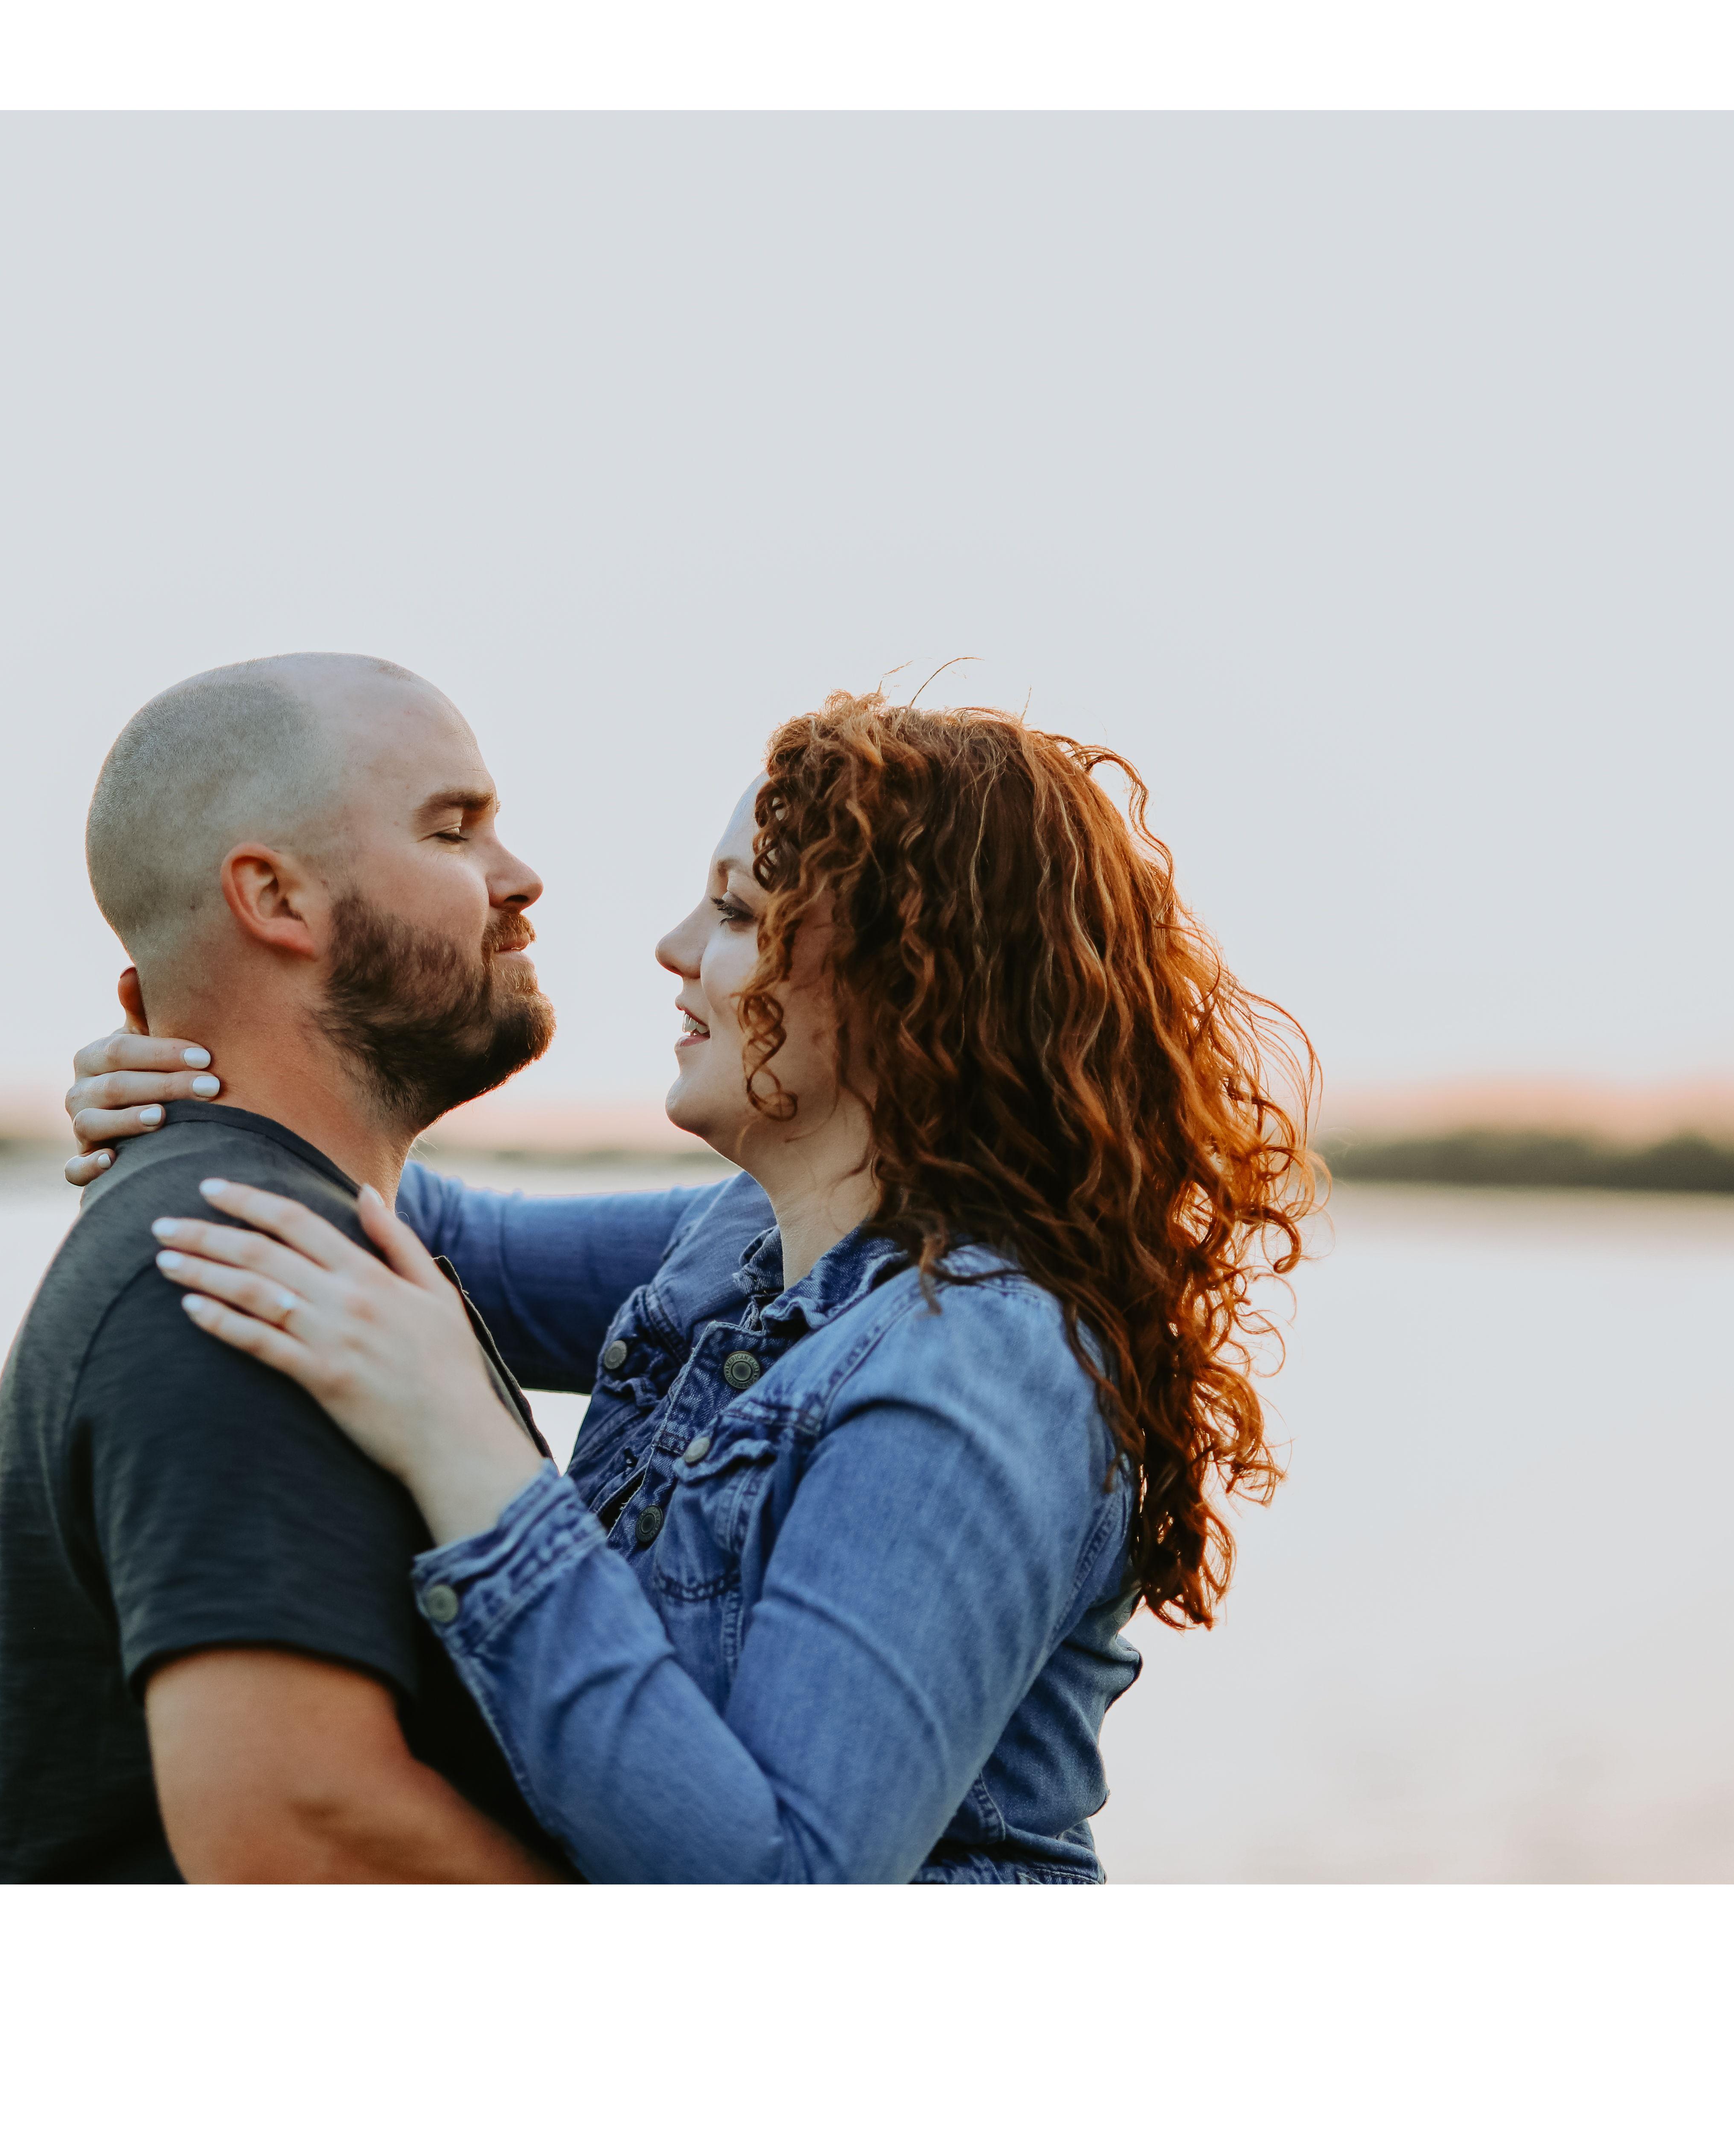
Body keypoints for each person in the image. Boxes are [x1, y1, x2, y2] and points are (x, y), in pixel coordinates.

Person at [70, 693, 1319, 1881]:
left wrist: (472, 1458)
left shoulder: (975, 1363)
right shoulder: (746, 1246)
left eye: (734, 913)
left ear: (904, 983)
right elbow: (422, 1228)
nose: (672, 951)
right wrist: (192, 1087)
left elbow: (780, 1886)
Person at [0, 651, 573, 1881]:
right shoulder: (243, 1265)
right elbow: (292, 1825)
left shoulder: (287, 1230)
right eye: (453, 830)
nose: (520, 878)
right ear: (276, 897)